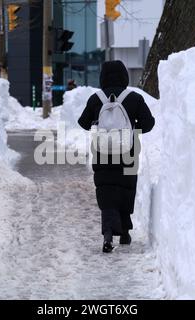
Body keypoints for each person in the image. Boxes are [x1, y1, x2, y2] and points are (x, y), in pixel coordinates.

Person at [78, 60, 155, 253]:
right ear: (124, 76)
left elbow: (83, 123)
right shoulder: (134, 98)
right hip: (128, 153)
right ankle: (125, 231)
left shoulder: (96, 98)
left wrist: (99, 123)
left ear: (103, 77)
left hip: (102, 153)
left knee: (106, 191)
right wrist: (133, 129)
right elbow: (149, 123)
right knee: (125, 188)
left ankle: (108, 233)